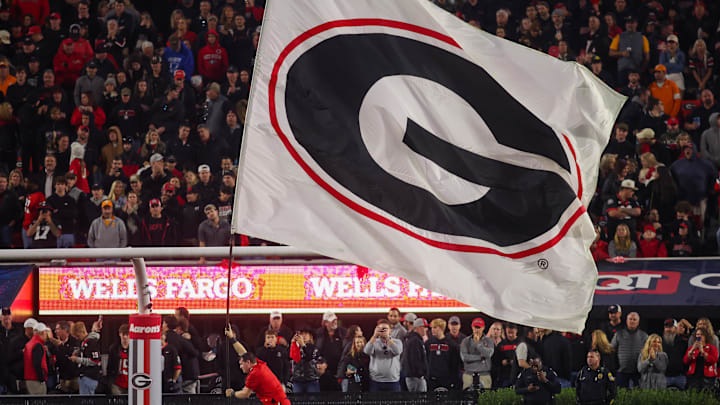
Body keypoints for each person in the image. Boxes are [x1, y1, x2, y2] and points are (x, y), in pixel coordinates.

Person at [225, 352, 291, 405]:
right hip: (280, 401)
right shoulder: (260, 364)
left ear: (248, 362)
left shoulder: (254, 374)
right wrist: (233, 339)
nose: (240, 367)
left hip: (277, 403)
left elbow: (245, 394)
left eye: (241, 364)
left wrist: (232, 393)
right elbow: (243, 352)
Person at [611, 312, 648, 388]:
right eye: (630, 319)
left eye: (634, 319)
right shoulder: (618, 334)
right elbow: (611, 349)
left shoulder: (644, 335)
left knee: (638, 395)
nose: (632, 321)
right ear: (627, 321)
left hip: (638, 372)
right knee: (621, 395)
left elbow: (647, 352)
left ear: (638, 322)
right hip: (622, 371)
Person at [364, 319, 403, 392]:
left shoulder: (397, 342)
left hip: (392, 380)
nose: (383, 331)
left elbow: (397, 351)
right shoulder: (373, 342)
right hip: (376, 380)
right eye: (381, 329)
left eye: (385, 329)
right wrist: (374, 336)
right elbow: (367, 351)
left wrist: (388, 338)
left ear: (390, 330)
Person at [425, 318, 461, 391]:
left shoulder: (451, 344)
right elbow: (425, 359)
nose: (432, 330)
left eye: (435, 327)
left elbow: (455, 363)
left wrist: (453, 379)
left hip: (446, 379)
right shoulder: (428, 343)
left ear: (441, 328)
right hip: (432, 378)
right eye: (432, 328)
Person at [460, 317, 494, 390]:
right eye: (475, 327)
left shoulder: (489, 341)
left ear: (483, 328)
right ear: (472, 327)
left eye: (479, 327)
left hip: (484, 374)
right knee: (467, 398)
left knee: (486, 397)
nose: (477, 330)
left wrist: (478, 344)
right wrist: (480, 357)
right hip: (469, 374)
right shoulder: (465, 341)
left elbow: (488, 354)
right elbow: (464, 357)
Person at [71, 321, 102, 395]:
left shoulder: (92, 342)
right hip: (84, 376)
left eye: (77, 336)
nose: (77, 338)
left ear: (82, 332)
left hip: (89, 377)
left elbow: (95, 361)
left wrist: (77, 359)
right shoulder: (84, 342)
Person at [684, 326, 718, 391]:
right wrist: (691, 350)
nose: (699, 336)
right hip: (694, 377)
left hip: (707, 377)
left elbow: (713, 360)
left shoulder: (712, 348)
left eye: (701, 334)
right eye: (697, 334)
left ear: (705, 336)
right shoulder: (691, 348)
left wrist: (702, 351)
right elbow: (685, 361)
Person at [315, 311, 346, 381]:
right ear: (326, 323)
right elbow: (316, 350)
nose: (335, 322)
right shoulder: (319, 333)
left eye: (335, 320)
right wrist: (321, 362)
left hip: (340, 369)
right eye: (332, 321)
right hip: (324, 370)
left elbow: (346, 350)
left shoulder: (343, 332)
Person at [289, 327, 321, 393]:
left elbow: (309, 357)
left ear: (310, 336)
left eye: (306, 334)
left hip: (311, 380)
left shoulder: (313, 347)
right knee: (297, 401)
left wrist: (303, 345)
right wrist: (292, 344)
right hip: (297, 380)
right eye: (301, 334)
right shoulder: (295, 347)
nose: (304, 336)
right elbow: (289, 357)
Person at [403, 317, 428, 392]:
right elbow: (415, 359)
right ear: (418, 328)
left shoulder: (415, 339)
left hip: (414, 376)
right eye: (424, 327)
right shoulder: (415, 340)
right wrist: (420, 374)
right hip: (415, 377)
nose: (426, 329)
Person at [24, 322, 49, 395]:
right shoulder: (38, 345)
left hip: (29, 379)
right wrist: (41, 378)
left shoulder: (29, 343)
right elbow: (37, 364)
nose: (46, 335)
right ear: (42, 333)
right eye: (45, 333)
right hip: (36, 380)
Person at [106, 324, 130, 395]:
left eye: (127, 334)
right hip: (117, 383)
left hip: (131, 383)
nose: (125, 337)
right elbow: (109, 367)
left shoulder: (135, 348)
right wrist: (110, 382)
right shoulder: (114, 349)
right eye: (123, 334)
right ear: (120, 334)